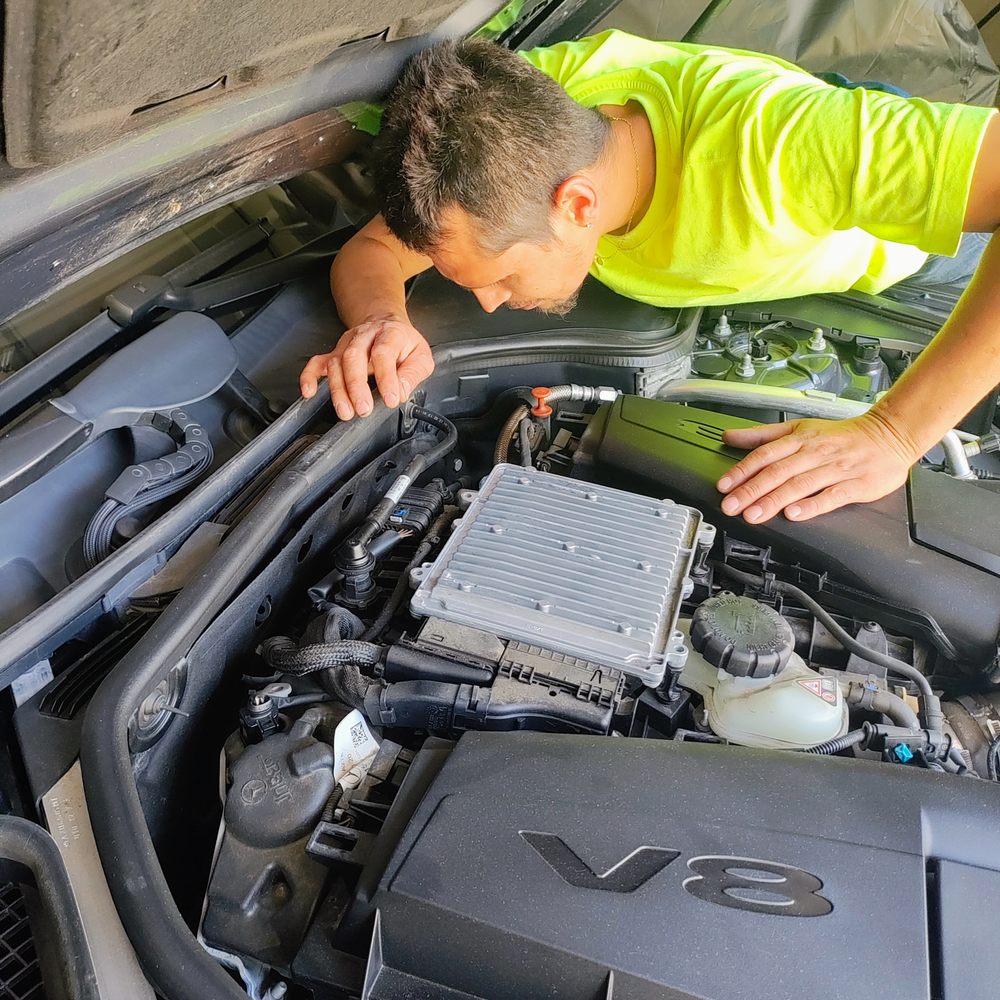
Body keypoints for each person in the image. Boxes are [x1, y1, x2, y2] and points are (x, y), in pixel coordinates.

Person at [298, 30, 1000, 524]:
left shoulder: (784, 147)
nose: (485, 303)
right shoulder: (505, 128)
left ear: (576, 203)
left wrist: (896, 435)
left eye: (503, 278)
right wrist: (382, 319)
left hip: (919, 255)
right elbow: (374, 254)